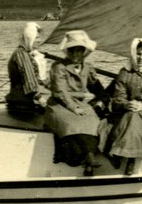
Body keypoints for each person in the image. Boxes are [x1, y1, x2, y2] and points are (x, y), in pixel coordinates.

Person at [44, 30, 108, 175]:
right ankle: (84, 157)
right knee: (70, 122)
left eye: (79, 50)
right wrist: (73, 108)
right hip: (59, 104)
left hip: (80, 103)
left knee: (92, 120)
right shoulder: (58, 67)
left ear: (84, 52)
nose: (75, 54)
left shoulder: (87, 67)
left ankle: (89, 157)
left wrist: (104, 99)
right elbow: (60, 92)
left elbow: (95, 86)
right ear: (67, 52)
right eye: (72, 51)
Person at [105, 38, 142, 175]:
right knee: (132, 115)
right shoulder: (125, 72)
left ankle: (123, 155)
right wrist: (126, 104)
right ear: (133, 53)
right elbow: (118, 96)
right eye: (138, 54)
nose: (141, 58)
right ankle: (131, 158)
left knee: (134, 117)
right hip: (128, 110)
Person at [6, 22, 50, 113]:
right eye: (37, 37)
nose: (40, 40)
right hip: (23, 99)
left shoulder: (27, 53)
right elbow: (29, 80)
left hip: (30, 97)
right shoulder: (21, 54)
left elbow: (38, 79)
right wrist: (40, 99)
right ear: (30, 38)